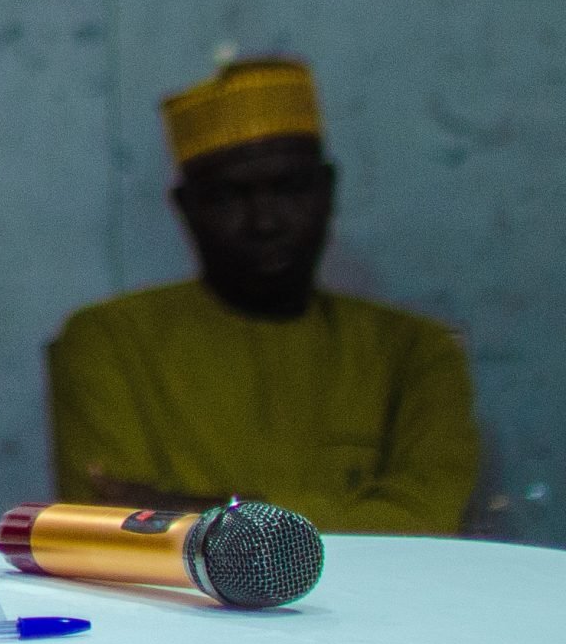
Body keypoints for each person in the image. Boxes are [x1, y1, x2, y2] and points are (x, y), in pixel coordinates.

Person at [45, 55, 479, 534]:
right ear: (186, 208)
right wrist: (347, 513)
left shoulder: (416, 352)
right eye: (229, 197)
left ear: (327, 191)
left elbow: (427, 522)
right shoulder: (110, 341)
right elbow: (113, 528)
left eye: (289, 189)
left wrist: (196, 512)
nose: (265, 221)